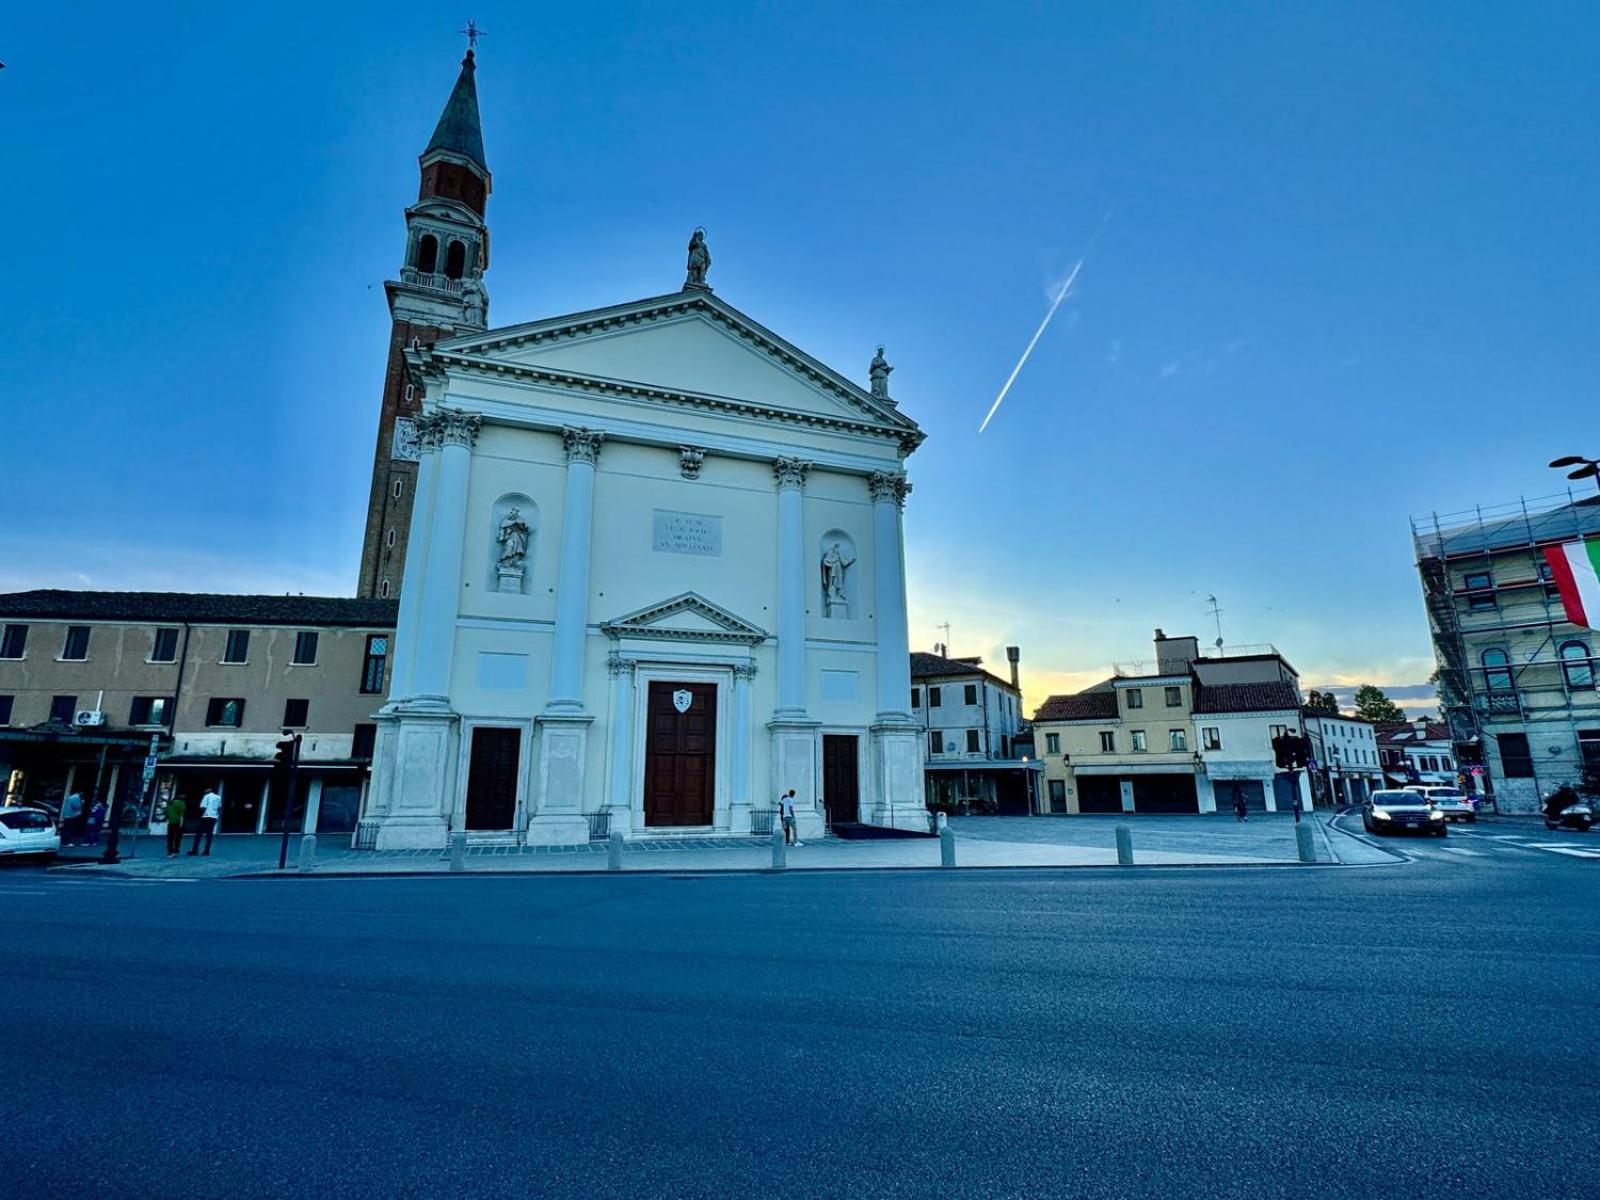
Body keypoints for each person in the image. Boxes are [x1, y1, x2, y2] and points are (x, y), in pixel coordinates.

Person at [190, 785, 222, 856]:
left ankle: (195, 850)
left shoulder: (206, 796)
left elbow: (203, 806)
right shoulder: (218, 797)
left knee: (199, 833)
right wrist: (216, 815)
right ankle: (207, 850)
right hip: (213, 817)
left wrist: (201, 815)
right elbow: (219, 807)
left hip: (205, 816)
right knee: (209, 834)